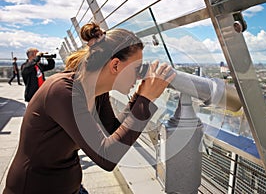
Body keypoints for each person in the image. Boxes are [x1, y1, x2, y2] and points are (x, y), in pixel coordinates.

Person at [4, 22, 176, 194]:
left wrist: (139, 97)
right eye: (136, 68)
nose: (139, 75)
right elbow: (106, 156)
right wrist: (145, 101)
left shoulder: (96, 92)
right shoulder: (61, 91)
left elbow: (112, 132)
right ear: (115, 65)